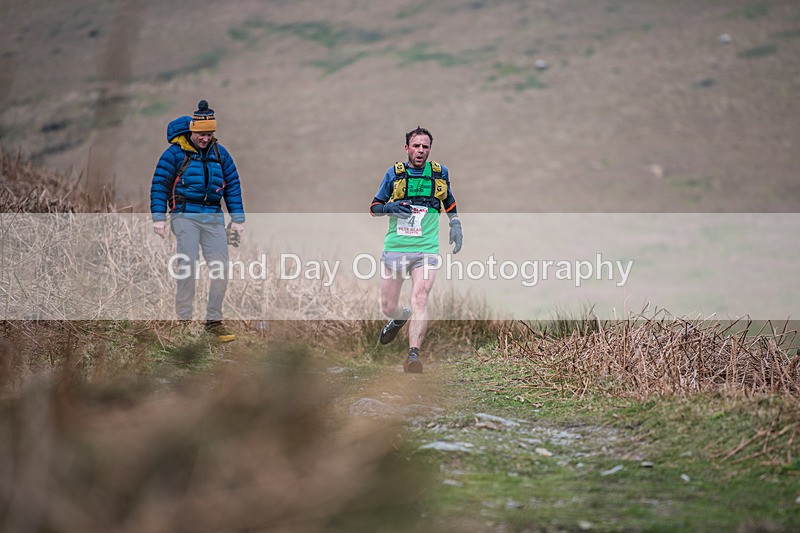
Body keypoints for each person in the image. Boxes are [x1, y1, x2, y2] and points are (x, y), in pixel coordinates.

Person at [150, 100, 245, 342]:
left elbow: (232, 185)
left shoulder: (220, 154)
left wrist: (237, 219)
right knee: (188, 267)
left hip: (213, 217)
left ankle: (213, 324)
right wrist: (159, 218)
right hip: (184, 216)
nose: (205, 138)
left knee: (221, 268)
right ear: (192, 130)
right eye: (202, 134)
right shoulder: (174, 154)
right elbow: (160, 185)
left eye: (210, 134)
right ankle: (184, 323)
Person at [369, 126, 462, 373]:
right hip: (397, 247)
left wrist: (455, 224)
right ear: (407, 148)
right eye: (417, 146)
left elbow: (449, 200)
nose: (421, 151)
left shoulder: (439, 173)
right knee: (388, 306)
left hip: (426, 249)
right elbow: (374, 207)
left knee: (421, 296)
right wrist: (390, 208)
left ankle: (413, 356)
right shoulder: (394, 174)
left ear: (429, 149)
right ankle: (399, 317)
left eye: (426, 146)